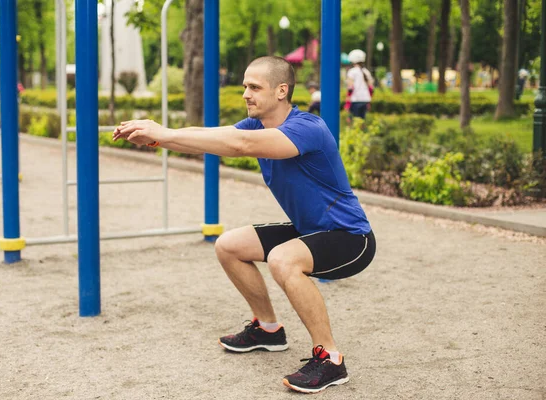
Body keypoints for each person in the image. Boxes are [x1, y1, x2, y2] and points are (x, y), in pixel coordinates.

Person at [113, 56, 376, 394]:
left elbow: (239, 146)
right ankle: (268, 329)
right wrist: (156, 136)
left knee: (283, 259)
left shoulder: (307, 128)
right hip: (310, 230)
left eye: (254, 87)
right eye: (244, 87)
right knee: (229, 245)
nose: (246, 95)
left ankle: (330, 359)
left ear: (282, 90)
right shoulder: (255, 125)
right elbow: (210, 135)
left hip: (351, 237)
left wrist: (162, 133)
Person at [346, 49, 374, 120]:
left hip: (355, 100)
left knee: (354, 120)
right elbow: (371, 88)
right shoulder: (366, 72)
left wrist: (347, 101)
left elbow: (350, 88)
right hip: (365, 100)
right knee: (362, 120)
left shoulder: (352, 72)